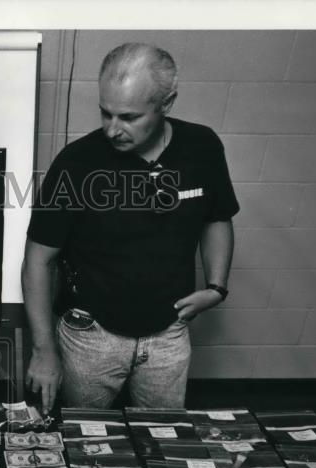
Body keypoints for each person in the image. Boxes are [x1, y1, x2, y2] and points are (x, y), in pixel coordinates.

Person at [23, 43, 239, 410]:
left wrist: (217, 287)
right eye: (105, 114)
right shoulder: (76, 163)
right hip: (91, 334)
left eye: (128, 117)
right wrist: (44, 351)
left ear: (167, 103)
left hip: (168, 331)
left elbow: (217, 217)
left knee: (163, 437)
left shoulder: (202, 147)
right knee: (87, 439)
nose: (112, 129)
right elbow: (37, 261)